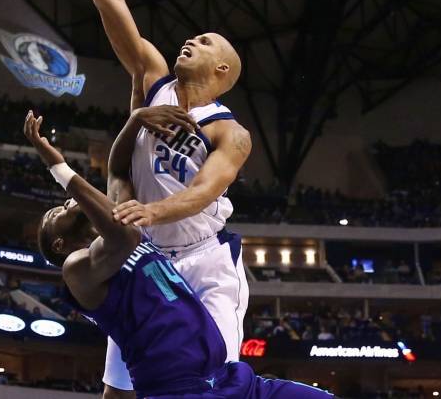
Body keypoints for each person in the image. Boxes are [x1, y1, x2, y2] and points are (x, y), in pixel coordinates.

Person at [53, 0, 252, 397]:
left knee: (213, 386)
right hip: (144, 257)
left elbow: (206, 190)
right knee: (118, 389)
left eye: (205, 41)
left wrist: (152, 212)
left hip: (205, 262)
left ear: (223, 68)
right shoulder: (153, 81)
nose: (192, 39)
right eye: (193, 35)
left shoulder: (230, 132)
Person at [24, 110, 331, 399]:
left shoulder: (118, 230)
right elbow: (125, 236)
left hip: (228, 379)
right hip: (177, 389)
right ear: (59, 245)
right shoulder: (77, 269)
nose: (63, 205)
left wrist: (135, 119)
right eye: (54, 215)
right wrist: (59, 169)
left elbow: (118, 171)